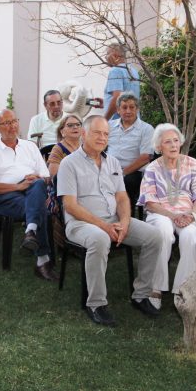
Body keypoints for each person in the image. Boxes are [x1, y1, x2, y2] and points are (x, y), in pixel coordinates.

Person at [57, 115, 162, 327]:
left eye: (106, 134)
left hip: (113, 220)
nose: (102, 137)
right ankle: (96, 303)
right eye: (97, 132)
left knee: (154, 236)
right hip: (81, 224)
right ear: (84, 134)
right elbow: (70, 205)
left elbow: (122, 197)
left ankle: (141, 295)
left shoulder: (112, 162)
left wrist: (123, 222)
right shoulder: (68, 164)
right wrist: (103, 226)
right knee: (99, 239)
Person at [0, 109, 58, 281]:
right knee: (39, 209)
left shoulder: (30, 146)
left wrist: (35, 177)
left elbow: (45, 178)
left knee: (37, 185)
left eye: (14, 121)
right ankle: (42, 258)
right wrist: (18, 186)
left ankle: (31, 231)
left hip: (32, 191)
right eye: (6, 123)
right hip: (6, 198)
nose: (12, 126)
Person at [137, 124, 196, 309]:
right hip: (161, 211)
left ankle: (183, 288)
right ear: (159, 146)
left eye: (176, 140)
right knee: (164, 232)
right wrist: (173, 215)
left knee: (190, 236)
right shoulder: (152, 168)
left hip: (190, 211)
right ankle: (157, 287)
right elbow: (150, 202)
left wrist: (192, 215)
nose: (173, 145)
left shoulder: (191, 163)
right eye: (167, 142)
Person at [107, 93, 154, 208]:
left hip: (133, 171)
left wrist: (122, 173)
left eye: (132, 107)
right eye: (124, 107)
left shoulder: (146, 129)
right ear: (118, 110)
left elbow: (146, 157)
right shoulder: (109, 126)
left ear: (137, 109)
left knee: (127, 182)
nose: (128, 111)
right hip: (108, 167)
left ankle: (128, 217)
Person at [103, 42, 140, 120]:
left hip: (118, 124)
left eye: (107, 54)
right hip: (134, 121)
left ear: (115, 55)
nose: (106, 57)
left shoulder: (115, 71)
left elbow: (117, 98)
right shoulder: (133, 71)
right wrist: (105, 103)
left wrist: (105, 120)